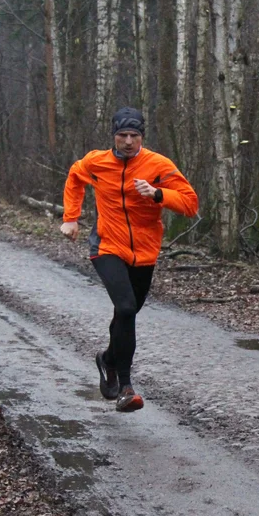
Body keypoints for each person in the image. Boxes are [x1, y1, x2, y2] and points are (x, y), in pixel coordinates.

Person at [60, 107, 199, 412]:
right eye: (122, 135)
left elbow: (190, 204)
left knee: (127, 313)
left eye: (134, 136)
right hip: (107, 245)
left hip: (145, 253)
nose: (127, 141)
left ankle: (108, 360)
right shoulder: (97, 161)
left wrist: (158, 193)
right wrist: (71, 217)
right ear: (113, 136)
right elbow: (74, 176)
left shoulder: (158, 165)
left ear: (142, 137)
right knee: (125, 308)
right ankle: (125, 386)